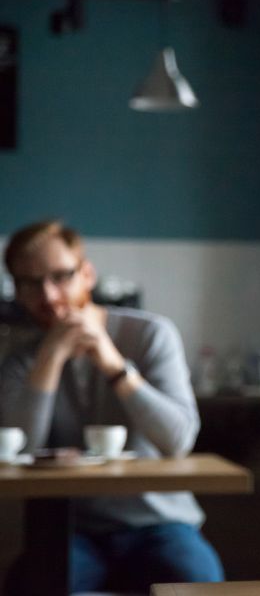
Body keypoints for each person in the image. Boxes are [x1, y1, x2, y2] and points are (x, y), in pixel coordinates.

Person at [0, 220, 224, 594]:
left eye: (61, 276)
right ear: (17, 292)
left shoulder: (152, 334)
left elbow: (177, 440)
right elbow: (18, 451)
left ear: (87, 274)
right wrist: (50, 357)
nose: (48, 294)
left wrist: (113, 363)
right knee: (33, 584)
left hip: (160, 522)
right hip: (70, 528)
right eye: (30, 282)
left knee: (200, 584)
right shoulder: (20, 359)